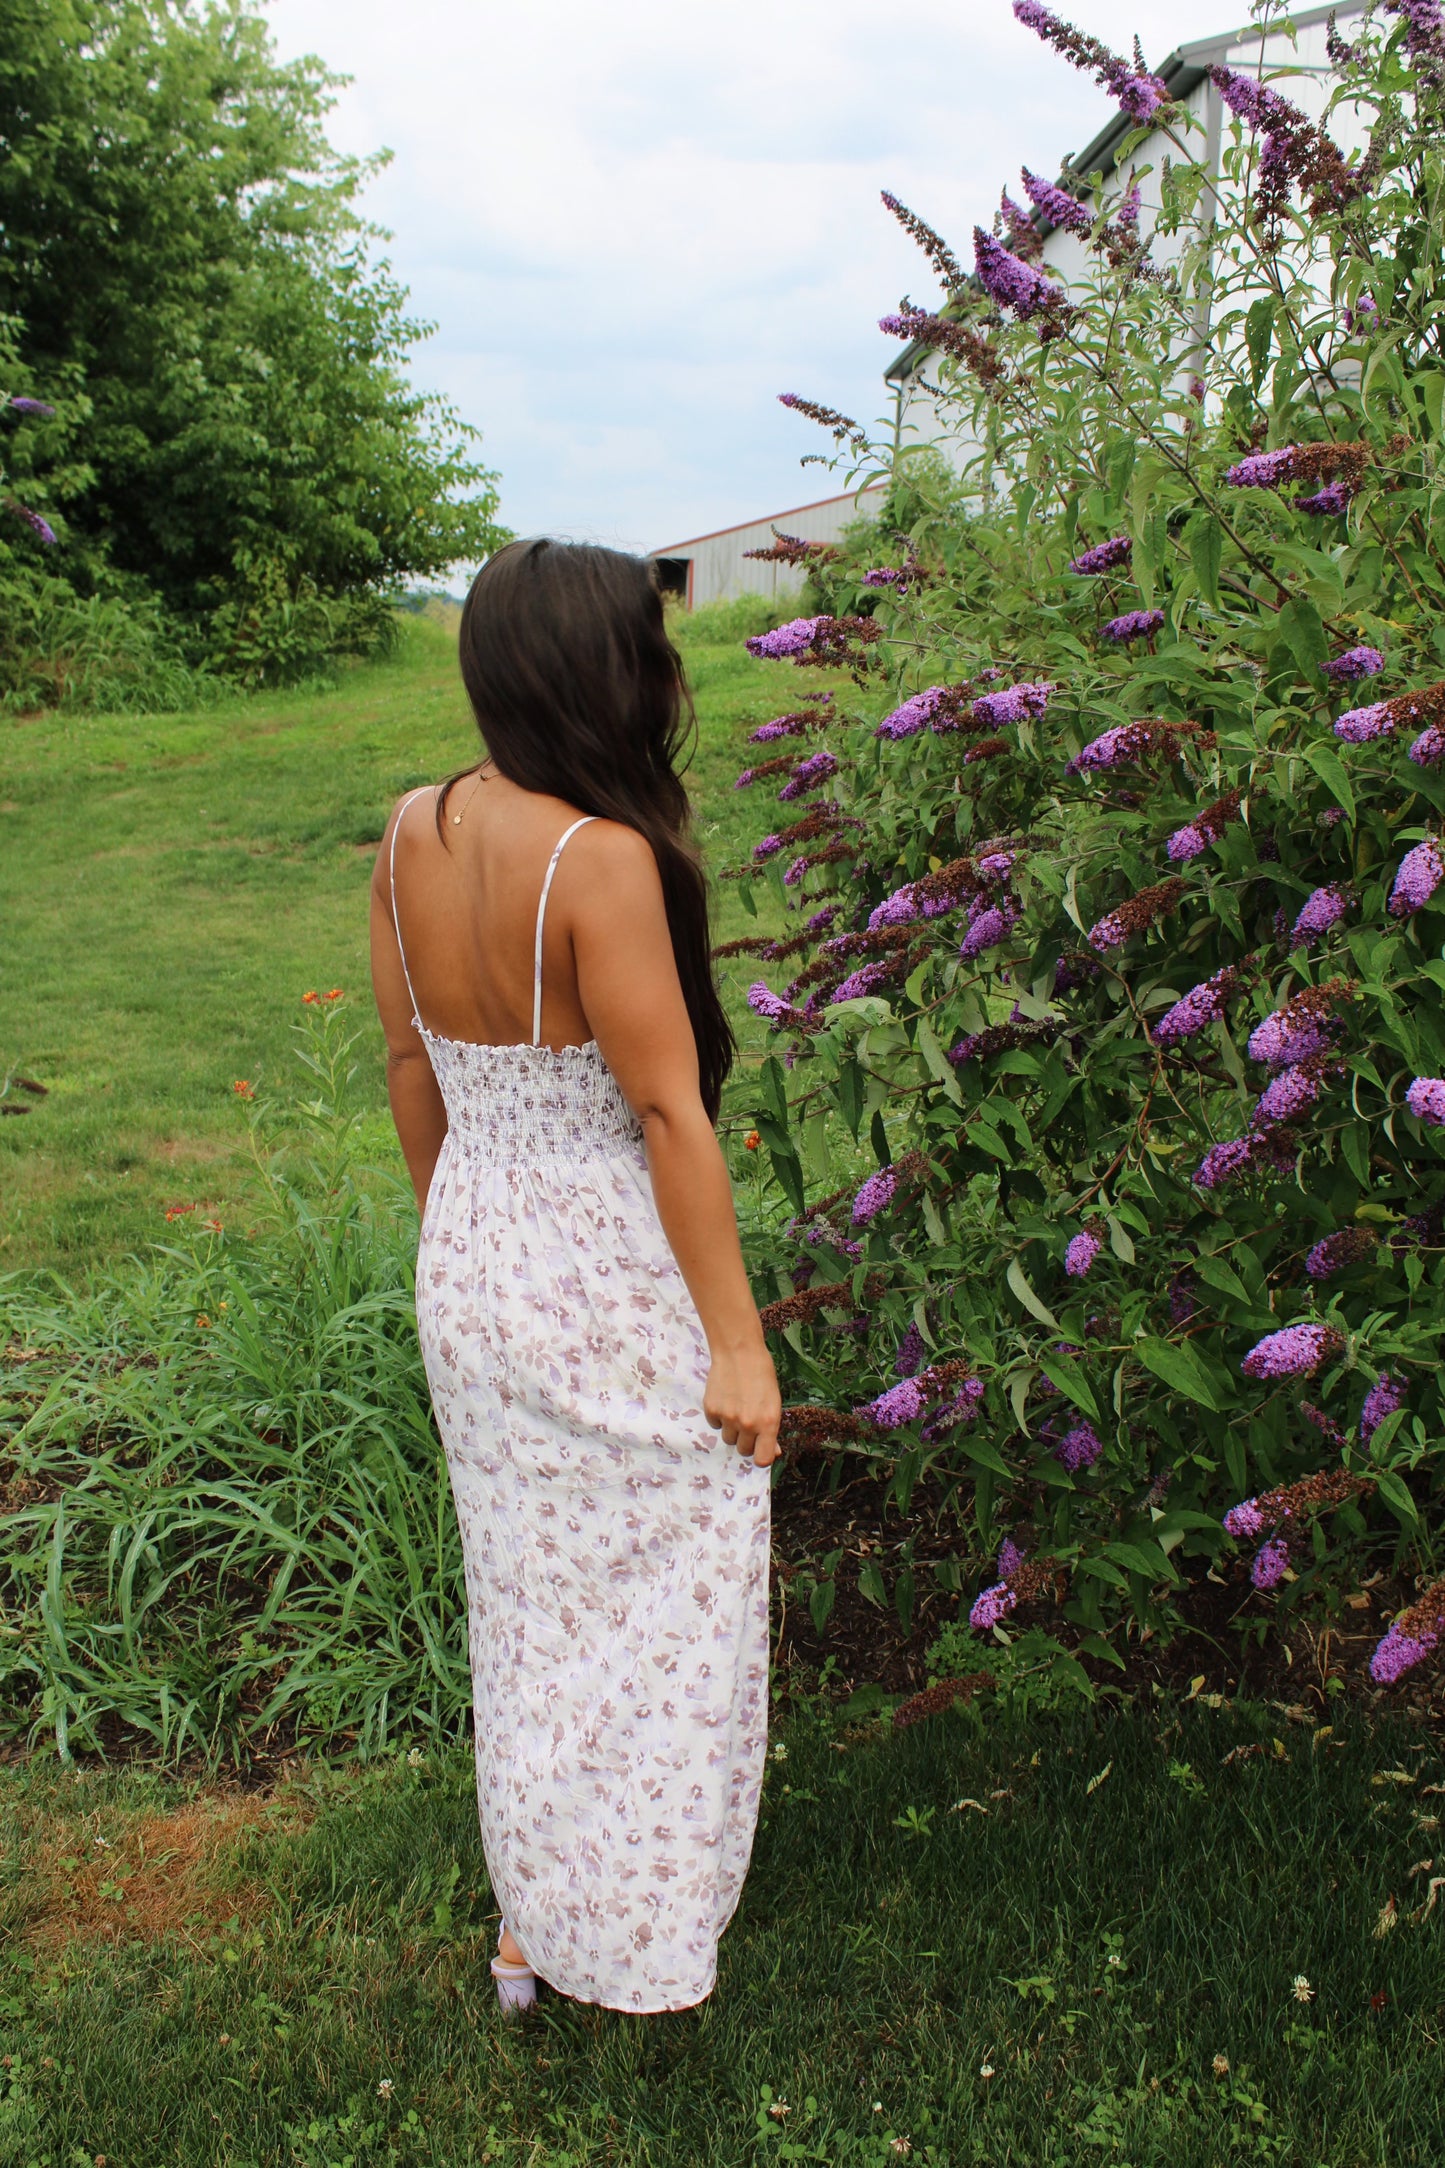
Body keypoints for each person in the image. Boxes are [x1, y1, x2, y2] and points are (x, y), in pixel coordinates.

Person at [369, 536, 782, 2018]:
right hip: (597, 1262)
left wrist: (455, 1245)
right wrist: (737, 1348)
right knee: (677, 1569)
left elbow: (411, 1062)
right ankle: (629, 1926)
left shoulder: (412, 827)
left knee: (531, 1598)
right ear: (607, 674)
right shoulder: (598, 859)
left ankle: (529, 1926)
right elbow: (667, 1114)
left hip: (470, 1249)